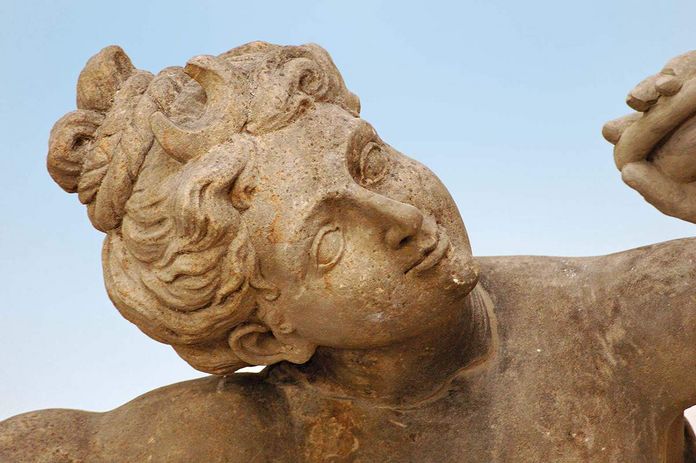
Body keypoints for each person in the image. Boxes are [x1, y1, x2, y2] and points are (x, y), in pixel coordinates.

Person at [1, 42, 695, 462]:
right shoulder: (233, 439)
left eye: (371, 162)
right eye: (328, 243)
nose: (398, 216)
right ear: (267, 330)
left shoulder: (613, 326)